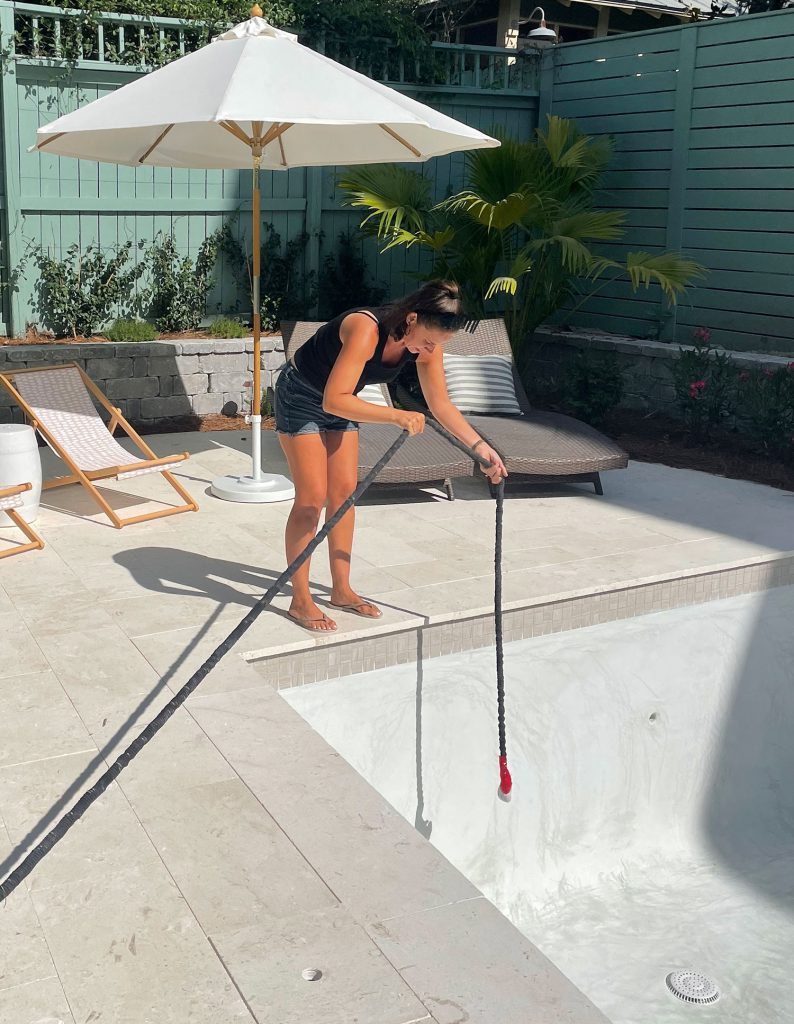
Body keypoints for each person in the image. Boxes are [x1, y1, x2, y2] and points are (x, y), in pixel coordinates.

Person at [275, 280, 508, 633]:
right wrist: (396, 414)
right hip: (303, 396)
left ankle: (341, 590)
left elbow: (440, 404)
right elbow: (332, 400)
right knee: (312, 499)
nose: (429, 350)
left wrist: (480, 447)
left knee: (343, 496)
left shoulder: (428, 344)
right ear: (411, 318)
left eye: (439, 345)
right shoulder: (365, 329)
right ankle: (300, 600)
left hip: (341, 398)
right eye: (429, 341)